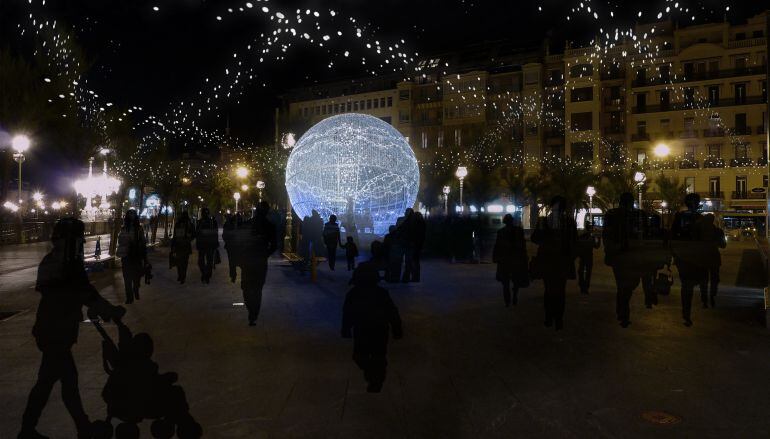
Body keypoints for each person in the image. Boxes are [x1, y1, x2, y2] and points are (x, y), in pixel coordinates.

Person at [19, 218, 125, 439]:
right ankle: (33, 430)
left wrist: (99, 307)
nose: (80, 244)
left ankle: (77, 427)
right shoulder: (63, 263)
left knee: (60, 382)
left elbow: (80, 291)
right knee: (55, 383)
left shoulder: (57, 261)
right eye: (77, 239)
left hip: (54, 331)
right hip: (55, 332)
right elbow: (80, 290)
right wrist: (105, 310)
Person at [603, 193, 665, 327]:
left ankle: (622, 311)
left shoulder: (613, 214)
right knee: (626, 286)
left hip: (624, 256)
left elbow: (607, 235)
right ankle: (623, 313)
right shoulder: (636, 214)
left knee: (624, 286)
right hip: (627, 256)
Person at [341, 261, 402, 392]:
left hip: (361, 329)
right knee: (378, 355)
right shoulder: (381, 293)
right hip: (380, 329)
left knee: (360, 356)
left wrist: (346, 329)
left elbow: (348, 313)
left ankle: (373, 376)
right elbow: (392, 311)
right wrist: (397, 329)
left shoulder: (353, 293)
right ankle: (376, 379)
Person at [531, 196, 577, 330]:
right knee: (555, 290)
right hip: (556, 260)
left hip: (554, 260)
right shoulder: (565, 221)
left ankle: (553, 318)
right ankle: (554, 318)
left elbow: (535, 238)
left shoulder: (552, 221)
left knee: (554, 290)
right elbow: (573, 242)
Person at [239, 201, 277, 326]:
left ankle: (252, 310)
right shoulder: (269, 226)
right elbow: (274, 245)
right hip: (260, 260)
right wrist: (265, 254)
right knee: (257, 288)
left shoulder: (247, 224)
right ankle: (254, 313)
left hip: (248, 260)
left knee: (247, 287)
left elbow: (239, 243)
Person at [671, 193, 704, 326]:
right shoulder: (699, 218)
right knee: (688, 285)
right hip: (691, 256)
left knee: (687, 285)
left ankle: (686, 313)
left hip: (684, 255)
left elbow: (673, 235)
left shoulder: (680, 217)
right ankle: (686, 313)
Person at [493, 213, 528, 307]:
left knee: (505, 282)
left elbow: (497, 246)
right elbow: (523, 245)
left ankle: (507, 300)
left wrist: (496, 257)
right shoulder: (519, 231)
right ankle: (514, 296)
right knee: (516, 279)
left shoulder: (501, 232)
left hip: (505, 259)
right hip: (516, 259)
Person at [116, 209, 148, 304]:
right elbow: (120, 241)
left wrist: (144, 256)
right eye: (129, 215)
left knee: (136, 276)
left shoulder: (139, 228)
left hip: (136, 255)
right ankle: (129, 297)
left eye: (133, 215)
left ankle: (136, 288)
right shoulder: (123, 228)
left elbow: (143, 242)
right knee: (127, 277)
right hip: (126, 256)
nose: (131, 217)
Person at [694, 213, 726, 308]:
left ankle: (704, 299)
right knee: (714, 279)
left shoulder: (699, 233)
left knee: (703, 279)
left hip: (702, 258)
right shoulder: (718, 231)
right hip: (714, 257)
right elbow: (723, 245)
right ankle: (712, 296)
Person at [195, 207, 219, 284]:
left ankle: (206, 275)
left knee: (207, 261)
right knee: (204, 261)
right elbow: (197, 233)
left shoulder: (211, 222)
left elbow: (215, 233)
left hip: (207, 245)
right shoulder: (201, 222)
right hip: (206, 245)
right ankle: (206, 274)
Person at [575, 222, 601, 295]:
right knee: (588, 273)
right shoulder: (591, 238)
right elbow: (597, 246)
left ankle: (582, 286)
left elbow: (577, 246)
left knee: (581, 271)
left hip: (583, 257)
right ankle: (585, 288)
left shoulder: (582, 237)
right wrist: (599, 238)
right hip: (589, 257)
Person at [171, 211, 195, 284]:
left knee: (179, 261)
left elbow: (174, 235)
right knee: (185, 262)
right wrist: (189, 239)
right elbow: (193, 234)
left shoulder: (178, 223)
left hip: (178, 245)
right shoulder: (190, 224)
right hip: (186, 246)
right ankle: (183, 276)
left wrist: (173, 246)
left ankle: (180, 275)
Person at [222, 213, 242, 283]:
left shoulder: (227, 225)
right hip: (237, 246)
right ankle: (235, 274)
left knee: (231, 261)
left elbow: (224, 236)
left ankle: (233, 275)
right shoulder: (240, 225)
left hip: (230, 246)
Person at [411, 212, 427, 282]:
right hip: (418, 244)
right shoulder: (422, 223)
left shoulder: (414, 224)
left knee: (413, 261)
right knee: (416, 261)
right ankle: (416, 277)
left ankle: (415, 277)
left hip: (414, 244)